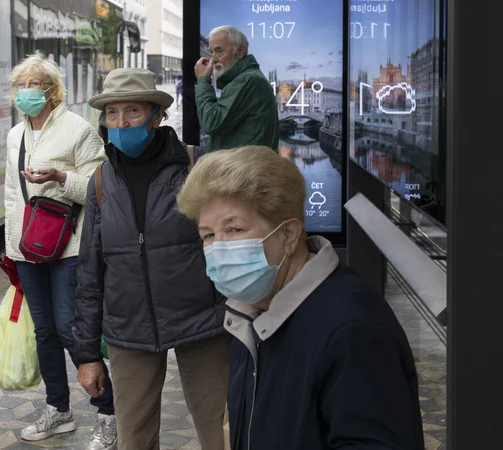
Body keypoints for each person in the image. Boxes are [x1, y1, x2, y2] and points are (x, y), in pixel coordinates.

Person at [176, 146, 426, 450]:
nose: (219, 248)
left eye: (235, 229)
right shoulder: (251, 313)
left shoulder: (352, 331)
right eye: (209, 235)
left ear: (289, 235)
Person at [74, 68, 230, 450]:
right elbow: (90, 273)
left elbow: (228, 241)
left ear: (156, 116)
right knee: (134, 439)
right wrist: (87, 354)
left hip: (203, 322)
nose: (121, 122)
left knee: (223, 431)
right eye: (112, 113)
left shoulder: (196, 166)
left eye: (133, 111)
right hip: (129, 329)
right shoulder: (100, 182)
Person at [3, 51, 116, 449]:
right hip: (28, 249)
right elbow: (12, 196)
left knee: (71, 329)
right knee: (45, 332)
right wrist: (11, 250)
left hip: (69, 248)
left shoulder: (78, 130)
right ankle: (59, 410)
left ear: (52, 91)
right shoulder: (15, 135)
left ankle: (108, 411)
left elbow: (98, 189)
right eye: (21, 85)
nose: (26, 92)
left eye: (34, 85)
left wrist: (59, 177)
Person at [194, 26, 279, 152]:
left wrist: (202, 81)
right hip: (243, 167)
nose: (213, 60)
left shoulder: (248, 80)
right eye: (211, 52)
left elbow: (211, 123)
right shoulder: (246, 78)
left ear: (240, 52)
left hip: (244, 170)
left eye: (219, 51)